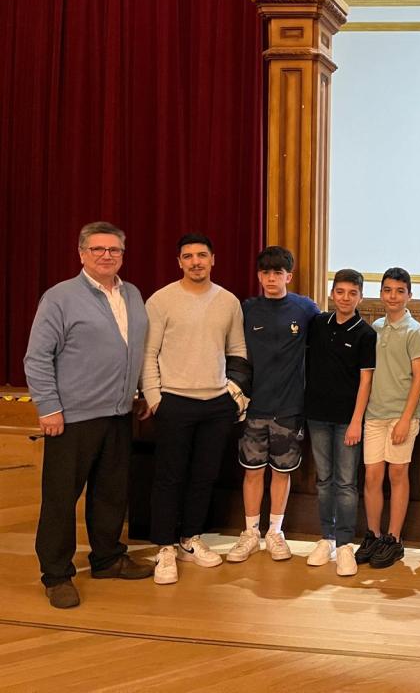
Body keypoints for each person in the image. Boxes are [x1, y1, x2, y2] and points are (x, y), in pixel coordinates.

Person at [24, 222, 153, 608]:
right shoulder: (59, 297)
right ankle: (56, 574)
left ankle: (108, 558)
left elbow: (134, 349)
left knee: (111, 492)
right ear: (81, 254)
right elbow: (37, 357)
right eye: (97, 249)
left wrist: (138, 392)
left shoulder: (132, 294)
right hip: (72, 417)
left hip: (119, 412)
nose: (106, 255)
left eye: (114, 250)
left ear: (122, 255)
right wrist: (49, 407)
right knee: (61, 498)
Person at [141, 232, 248, 585]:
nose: (195, 262)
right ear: (179, 262)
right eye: (188, 256)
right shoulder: (161, 300)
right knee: (169, 476)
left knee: (204, 476)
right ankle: (164, 546)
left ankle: (190, 538)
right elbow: (148, 353)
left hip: (216, 404)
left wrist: (233, 395)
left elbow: (237, 350)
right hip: (174, 400)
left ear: (213, 259)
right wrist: (155, 398)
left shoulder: (228, 301)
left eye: (202, 255)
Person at [226, 247, 319, 564]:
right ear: (258, 276)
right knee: (252, 472)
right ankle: (251, 533)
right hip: (253, 407)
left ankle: (275, 533)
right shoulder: (247, 309)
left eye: (278, 273)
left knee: (281, 472)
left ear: (288, 276)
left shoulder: (306, 309)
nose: (271, 278)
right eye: (265, 272)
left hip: (290, 408)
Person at [355, 267, 420, 569]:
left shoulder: (416, 331)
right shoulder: (374, 328)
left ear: (409, 295)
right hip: (375, 414)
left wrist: (405, 419)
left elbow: (419, 378)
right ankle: (373, 534)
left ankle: (394, 539)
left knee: (397, 474)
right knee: (372, 476)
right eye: (388, 290)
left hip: (402, 417)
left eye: (400, 291)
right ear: (381, 293)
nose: (393, 296)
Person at [304, 269, 376, 576]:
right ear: (332, 294)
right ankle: (328, 537)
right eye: (340, 292)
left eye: (352, 293)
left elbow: (366, 381)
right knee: (324, 481)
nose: (345, 298)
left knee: (346, 483)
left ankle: (345, 543)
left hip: (348, 421)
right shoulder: (318, 324)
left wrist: (356, 421)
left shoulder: (366, 334)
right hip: (317, 416)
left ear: (360, 297)